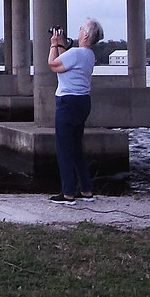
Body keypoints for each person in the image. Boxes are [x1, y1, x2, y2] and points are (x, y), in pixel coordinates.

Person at [47, 18, 104, 205]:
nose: (79, 31)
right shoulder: (88, 55)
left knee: (63, 148)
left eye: (81, 29)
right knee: (76, 148)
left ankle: (68, 193)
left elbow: (54, 64)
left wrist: (53, 45)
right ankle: (86, 190)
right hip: (82, 102)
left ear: (86, 35)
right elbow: (65, 64)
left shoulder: (77, 53)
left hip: (67, 102)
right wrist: (62, 45)